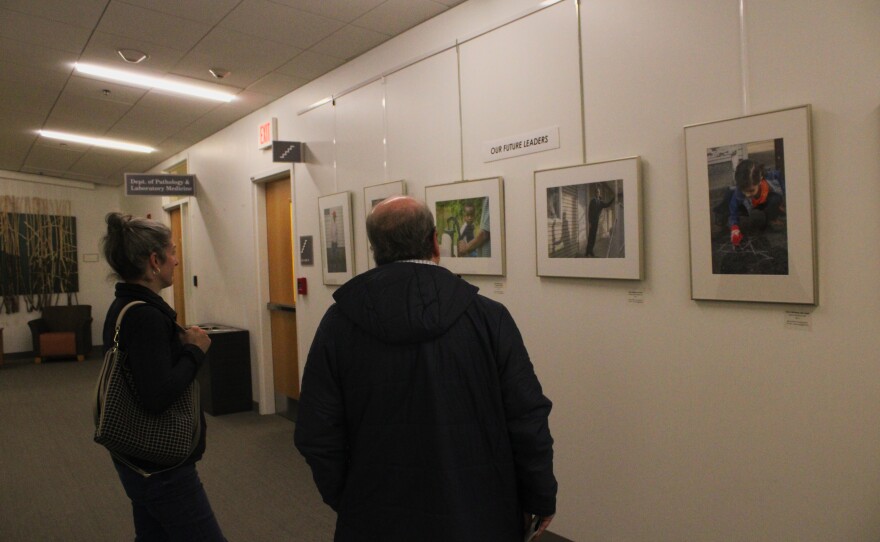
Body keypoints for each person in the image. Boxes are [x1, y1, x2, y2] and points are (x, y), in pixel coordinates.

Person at [294, 196, 557, 541]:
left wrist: (348, 497)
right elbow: (526, 417)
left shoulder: (339, 324)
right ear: (435, 241)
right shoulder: (488, 318)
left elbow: (316, 431)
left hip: (375, 515)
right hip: (479, 511)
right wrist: (539, 495)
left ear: (374, 248)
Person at [101, 212, 226, 541]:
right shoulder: (146, 317)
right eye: (172, 251)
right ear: (154, 261)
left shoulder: (123, 306)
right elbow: (158, 395)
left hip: (134, 456)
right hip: (160, 466)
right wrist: (194, 351)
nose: (177, 260)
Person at [723, 159, 785, 247]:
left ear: (760, 180)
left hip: (767, 202)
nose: (747, 194)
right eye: (743, 190)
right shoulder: (740, 192)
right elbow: (733, 210)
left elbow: (781, 178)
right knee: (746, 218)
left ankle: (772, 218)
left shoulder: (771, 179)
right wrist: (734, 228)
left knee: (776, 199)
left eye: (751, 190)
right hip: (749, 207)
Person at [586, 188, 614, 257]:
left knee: (594, 237)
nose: (597, 193)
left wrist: (613, 199)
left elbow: (607, 205)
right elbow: (589, 212)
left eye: (598, 192)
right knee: (590, 237)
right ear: (595, 193)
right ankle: (587, 251)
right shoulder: (592, 201)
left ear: (599, 193)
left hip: (596, 222)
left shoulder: (600, 202)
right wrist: (589, 222)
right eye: (596, 192)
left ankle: (591, 250)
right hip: (592, 222)